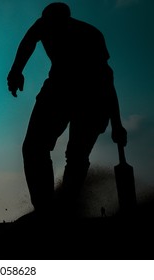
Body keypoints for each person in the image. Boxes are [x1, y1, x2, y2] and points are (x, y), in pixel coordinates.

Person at [7, 2, 127, 218]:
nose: (48, 30)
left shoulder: (90, 35)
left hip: (94, 97)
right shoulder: (43, 25)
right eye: (46, 24)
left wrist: (117, 123)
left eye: (54, 26)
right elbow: (28, 42)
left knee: (76, 155)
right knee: (33, 148)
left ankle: (67, 207)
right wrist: (15, 71)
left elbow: (106, 79)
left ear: (67, 22)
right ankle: (45, 209)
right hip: (58, 88)